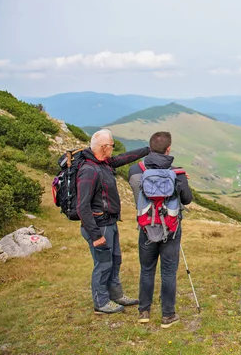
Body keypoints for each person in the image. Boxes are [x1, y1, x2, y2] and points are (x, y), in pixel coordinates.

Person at [77, 129, 150, 315]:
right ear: (103, 147)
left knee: (115, 260)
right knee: (103, 264)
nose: (113, 149)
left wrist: (149, 149)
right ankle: (101, 303)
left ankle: (116, 295)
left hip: (110, 222)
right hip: (99, 226)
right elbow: (82, 206)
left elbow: (125, 157)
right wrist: (95, 235)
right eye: (111, 145)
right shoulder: (89, 170)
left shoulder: (104, 163)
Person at [128, 132, 193, 328]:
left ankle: (144, 312)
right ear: (168, 149)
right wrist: (180, 182)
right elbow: (187, 199)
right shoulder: (177, 173)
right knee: (168, 272)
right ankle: (167, 315)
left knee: (147, 270)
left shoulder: (134, 171)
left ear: (150, 148)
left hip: (146, 227)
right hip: (171, 230)